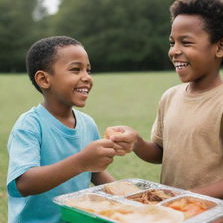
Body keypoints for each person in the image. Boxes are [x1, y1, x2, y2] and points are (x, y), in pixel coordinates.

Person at [105, 0, 223, 223]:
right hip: (174, 216)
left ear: (221, 47)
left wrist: (190, 198)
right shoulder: (170, 97)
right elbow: (160, 152)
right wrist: (137, 142)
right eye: (172, 42)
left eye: (186, 42)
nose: (174, 50)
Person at [6, 36, 135, 223]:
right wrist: (81, 162)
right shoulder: (29, 125)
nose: (86, 77)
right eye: (76, 70)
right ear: (44, 79)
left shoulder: (87, 123)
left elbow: (94, 171)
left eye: (88, 70)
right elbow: (24, 183)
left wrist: (129, 199)